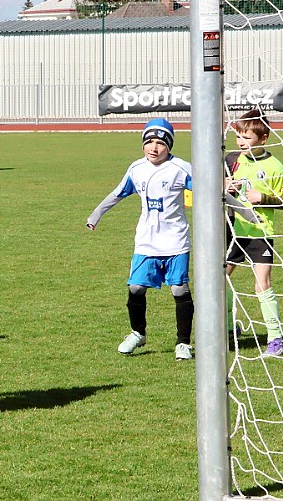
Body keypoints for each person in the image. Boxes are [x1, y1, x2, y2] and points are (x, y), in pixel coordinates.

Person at [85, 119, 260, 361]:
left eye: (160, 143)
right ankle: (138, 333)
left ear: (169, 146)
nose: (154, 148)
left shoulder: (181, 168)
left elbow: (213, 191)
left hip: (175, 240)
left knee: (179, 289)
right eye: (149, 142)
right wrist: (95, 215)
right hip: (146, 241)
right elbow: (117, 194)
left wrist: (246, 213)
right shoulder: (136, 169)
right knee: (136, 287)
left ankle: (183, 343)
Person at [223, 109, 283, 356]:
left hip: (260, 232)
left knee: (262, 284)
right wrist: (226, 186)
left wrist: (262, 198)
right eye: (239, 137)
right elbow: (221, 188)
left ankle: (275, 339)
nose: (241, 142)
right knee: (219, 280)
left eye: (247, 138)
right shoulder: (233, 160)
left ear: (263, 138)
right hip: (234, 230)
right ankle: (228, 329)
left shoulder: (275, 166)